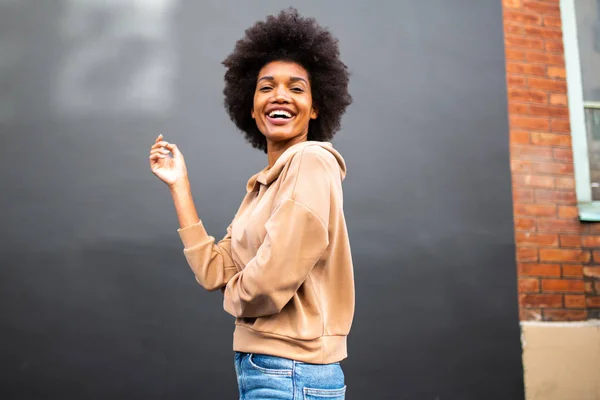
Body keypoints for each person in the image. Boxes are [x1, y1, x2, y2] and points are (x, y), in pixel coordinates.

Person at [149, 8, 354, 399]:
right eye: (266, 87)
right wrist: (180, 186)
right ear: (251, 105)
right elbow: (214, 271)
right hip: (268, 369)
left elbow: (270, 282)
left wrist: (236, 300)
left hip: (292, 371)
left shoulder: (311, 161)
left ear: (315, 107)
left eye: (296, 88)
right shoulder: (262, 189)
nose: (279, 96)